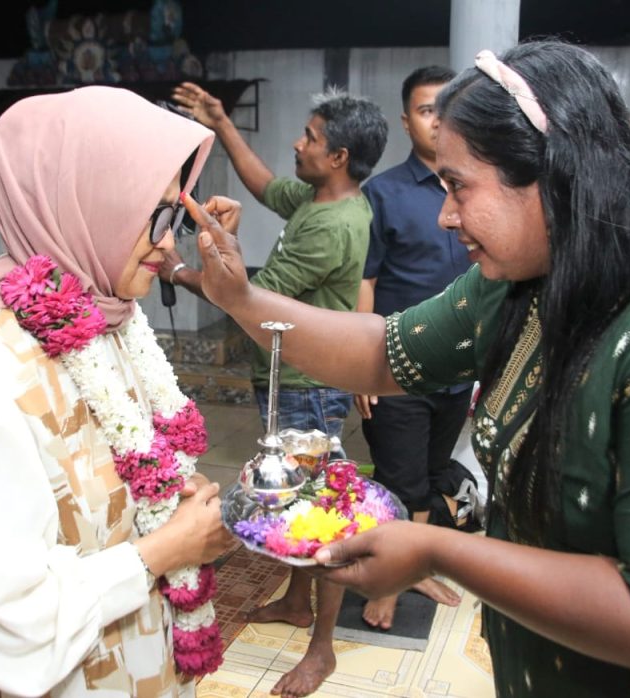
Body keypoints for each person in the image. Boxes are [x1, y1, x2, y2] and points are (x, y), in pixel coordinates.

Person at [181, 38, 630, 697]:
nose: (446, 215)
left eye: (458, 186)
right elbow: (381, 350)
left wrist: (441, 549)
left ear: (555, 177)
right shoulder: (533, 275)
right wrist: (239, 297)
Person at [0, 86, 234, 696]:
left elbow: (99, 479)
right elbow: (4, 619)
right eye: (155, 217)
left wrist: (166, 491)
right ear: (85, 205)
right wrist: (163, 550)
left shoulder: (110, 315)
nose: (169, 244)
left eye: (176, 216)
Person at [165, 81, 388, 698]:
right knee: (300, 502)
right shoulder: (321, 198)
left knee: (323, 518)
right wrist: (220, 122)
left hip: (309, 388)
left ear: (339, 156)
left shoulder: (332, 224)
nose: (297, 142)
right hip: (292, 379)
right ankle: (296, 602)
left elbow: (247, 293)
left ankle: (322, 651)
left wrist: (178, 266)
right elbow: (265, 185)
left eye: (310, 138)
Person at [353, 65, 468, 630]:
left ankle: (413, 564)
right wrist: (362, 368)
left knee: (431, 472)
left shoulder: (475, 185)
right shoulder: (383, 193)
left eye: (446, 108)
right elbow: (366, 282)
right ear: (406, 122)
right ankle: (388, 581)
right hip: (397, 364)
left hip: (460, 367)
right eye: (426, 110)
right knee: (397, 479)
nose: (437, 119)